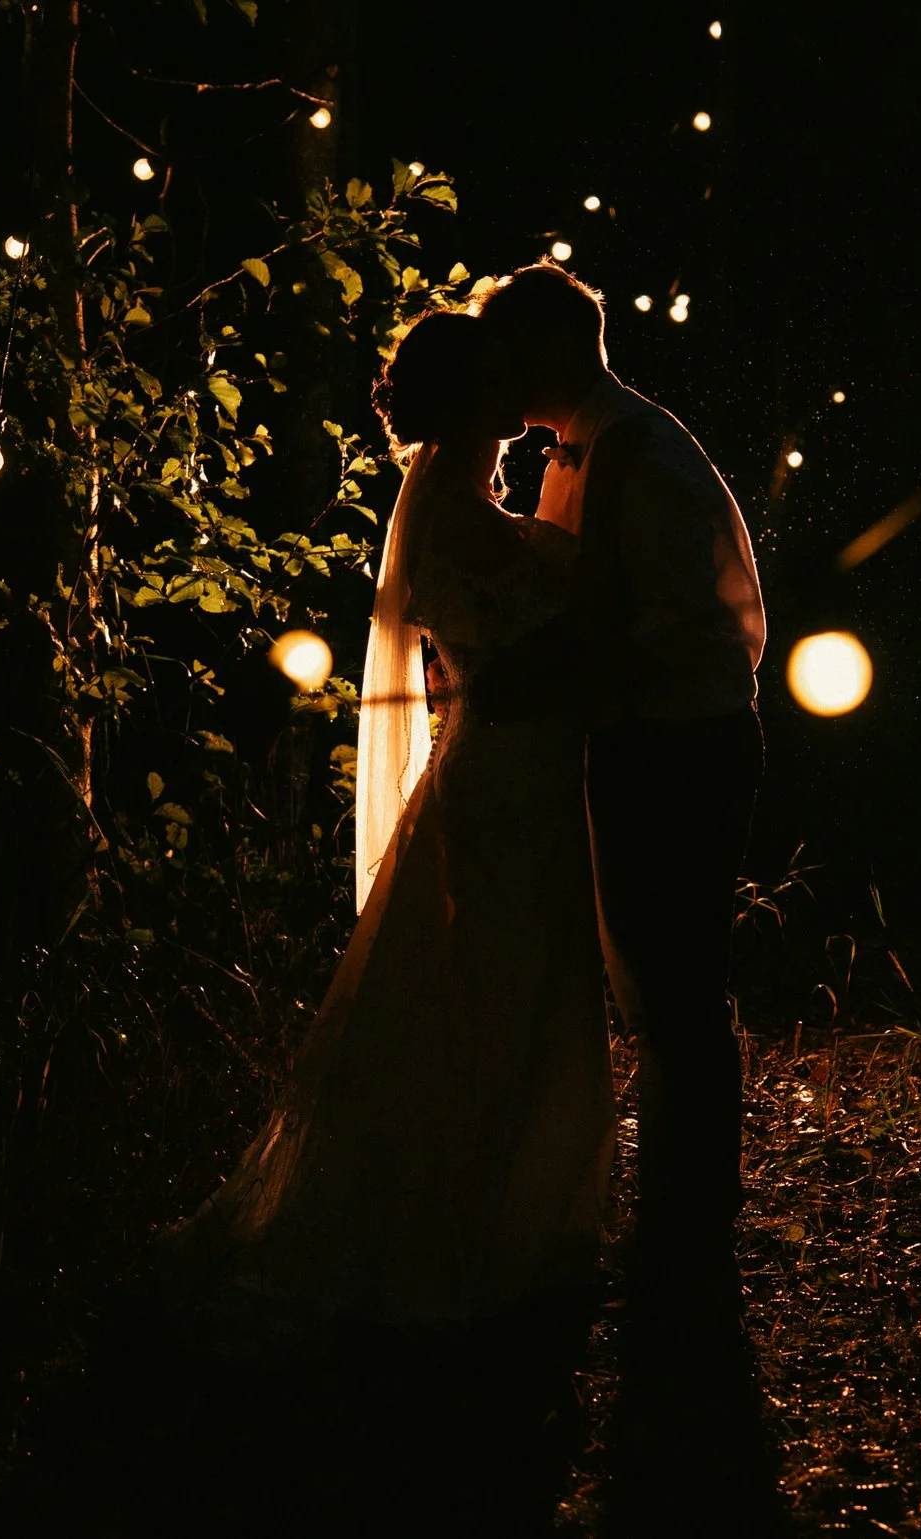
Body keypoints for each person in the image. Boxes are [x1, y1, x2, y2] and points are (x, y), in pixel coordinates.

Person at [155, 310, 613, 1344]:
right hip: (507, 777)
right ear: (459, 401)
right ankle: (473, 1234)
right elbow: (526, 655)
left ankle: (510, 1220)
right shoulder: (454, 514)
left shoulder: (463, 503)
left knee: (505, 995)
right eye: (491, 377)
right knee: (493, 999)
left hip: (519, 769)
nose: (511, 390)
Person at [475, 263, 767, 1274]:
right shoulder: (580, 451)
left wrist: (544, 681)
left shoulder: (639, 450)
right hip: (641, 737)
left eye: (509, 352)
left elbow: (675, 621)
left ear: (556, 346)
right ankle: (677, 1203)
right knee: (648, 980)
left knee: (676, 976)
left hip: (682, 741)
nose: (497, 374)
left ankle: (694, 1213)